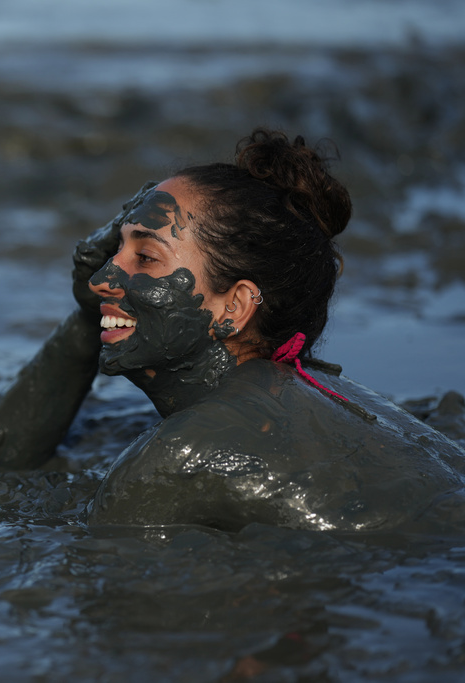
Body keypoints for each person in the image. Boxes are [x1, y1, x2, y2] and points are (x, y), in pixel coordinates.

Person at [80, 128, 465, 532]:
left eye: (145, 257)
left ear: (235, 306)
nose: (99, 279)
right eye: (115, 251)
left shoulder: (180, 454)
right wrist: (84, 317)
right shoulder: (325, 391)